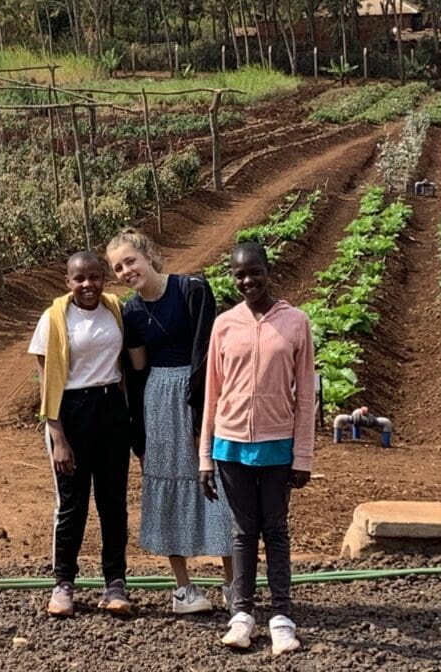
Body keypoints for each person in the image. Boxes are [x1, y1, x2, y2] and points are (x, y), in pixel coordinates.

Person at [106, 229, 234, 614]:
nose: (127, 271)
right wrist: (139, 431)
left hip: (201, 394)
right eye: (118, 267)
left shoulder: (192, 290)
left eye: (131, 261)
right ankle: (184, 589)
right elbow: (138, 370)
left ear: (148, 256)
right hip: (159, 399)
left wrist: (203, 409)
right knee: (168, 482)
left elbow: (207, 352)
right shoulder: (131, 312)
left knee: (216, 484)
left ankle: (233, 585)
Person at [198, 241, 315, 656]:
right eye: (239, 274)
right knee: (243, 533)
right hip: (230, 446)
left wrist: (302, 456)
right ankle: (242, 615)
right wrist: (205, 457)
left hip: (277, 446)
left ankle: (282, 617)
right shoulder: (224, 324)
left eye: (254, 272)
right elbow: (212, 393)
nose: (247, 280)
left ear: (269, 270)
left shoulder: (296, 322)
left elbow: (305, 396)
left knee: (276, 531)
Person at [29, 251, 132, 618]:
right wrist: (56, 434)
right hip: (70, 414)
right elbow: (45, 381)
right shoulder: (54, 318)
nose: (88, 285)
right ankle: (63, 583)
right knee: (72, 505)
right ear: (67, 282)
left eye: (94, 277)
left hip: (111, 411)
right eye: (79, 279)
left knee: (113, 503)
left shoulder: (115, 310)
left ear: (104, 278)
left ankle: (115, 583)